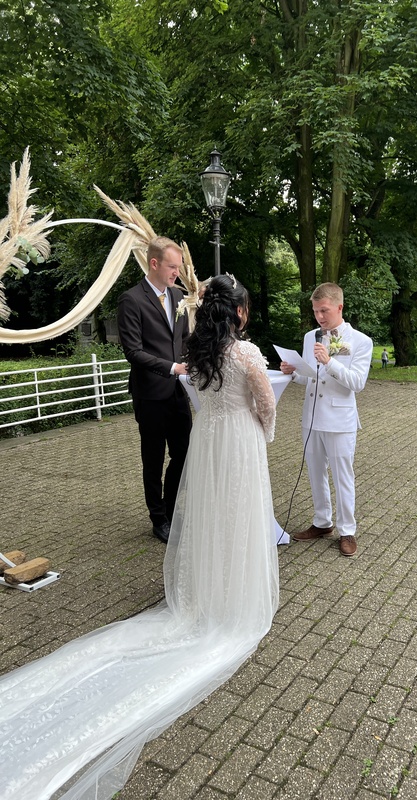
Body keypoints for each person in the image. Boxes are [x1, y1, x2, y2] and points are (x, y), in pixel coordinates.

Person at [0, 274, 279, 800]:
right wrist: (264, 431)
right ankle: (235, 595)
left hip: (210, 440)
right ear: (239, 312)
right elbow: (265, 405)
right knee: (237, 515)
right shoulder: (245, 354)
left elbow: (201, 398)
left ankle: (208, 589)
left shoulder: (198, 353)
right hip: (238, 441)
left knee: (213, 516)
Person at [281, 282, 373, 558]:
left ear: (339, 307)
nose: (319, 316)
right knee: (315, 472)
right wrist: (293, 372)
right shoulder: (310, 337)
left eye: (324, 310)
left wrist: (330, 362)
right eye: (315, 311)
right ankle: (322, 522)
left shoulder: (361, 341)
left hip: (340, 419)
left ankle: (347, 530)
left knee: (343, 475)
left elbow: (357, 383)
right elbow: (310, 377)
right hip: (311, 417)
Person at [117, 236, 192, 543]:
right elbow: (133, 351)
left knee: (184, 453)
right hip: (149, 394)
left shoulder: (178, 296)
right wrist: (172, 367)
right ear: (154, 263)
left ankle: (171, 510)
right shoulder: (131, 300)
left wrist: (193, 361)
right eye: (173, 267)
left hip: (179, 392)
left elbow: (183, 339)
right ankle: (158, 518)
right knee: (153, 459)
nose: (177, 272)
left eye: (179, 267)